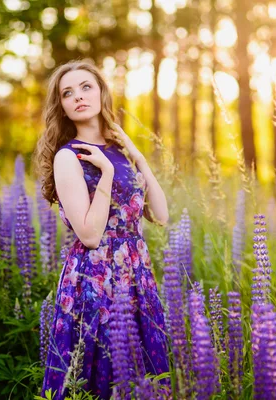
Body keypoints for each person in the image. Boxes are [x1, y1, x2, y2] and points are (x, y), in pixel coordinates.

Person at [33, 59, 170, 399]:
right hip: (96, 277)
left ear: (101, 93)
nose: (78, 96)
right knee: (101, 372)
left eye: (86, 87)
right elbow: (90, 235)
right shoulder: (69, 157)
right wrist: (106, 175)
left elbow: (162, 214)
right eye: (68, 93)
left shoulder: (119, 150)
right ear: (62, 107)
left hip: (137, 271)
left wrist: (136, 154)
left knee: (144, 373)